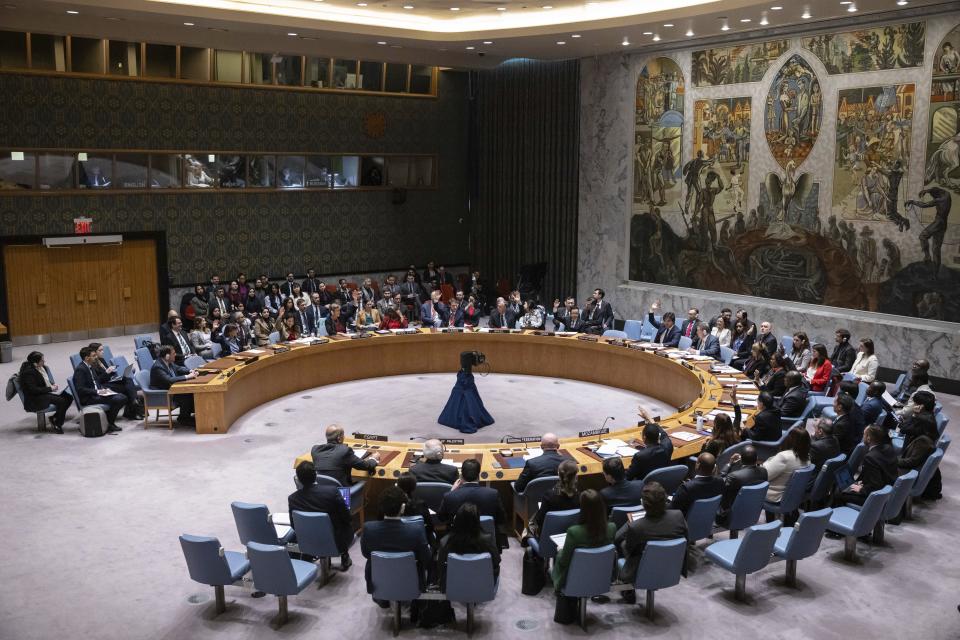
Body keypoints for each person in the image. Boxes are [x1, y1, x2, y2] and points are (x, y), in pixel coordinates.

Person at [551, 490, 616, 625]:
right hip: (600, 577)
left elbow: (564, 561)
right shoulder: (611, 528)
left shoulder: (574, 532)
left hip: (574, 577)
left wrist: (560, 550)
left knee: (558, 553)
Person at [615, 481, 687, 596]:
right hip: (672, 566)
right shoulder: (678, 516)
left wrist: (629, 525)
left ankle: (627, 587)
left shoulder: (636, 526)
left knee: (623, 543)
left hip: (643, 569)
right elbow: (686, 540)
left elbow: (626, 546)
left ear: (643, 504)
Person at [361, 486, 431, 602]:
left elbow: (366, 554)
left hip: (378, 582)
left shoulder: (368, 528)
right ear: (403, 507)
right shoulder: (416, 530)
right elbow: (426, 558)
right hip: (411, 582)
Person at [289, 461, 354, 570]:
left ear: (298, 479)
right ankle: (344, 555)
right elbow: (347, 518)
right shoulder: (333, 492)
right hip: (336, 542)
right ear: (315, 476)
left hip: (307, 540)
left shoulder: (293, 499)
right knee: (343, 525)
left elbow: (293, 525)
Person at [438, 459, 506, 546]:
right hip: (487, 542)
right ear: (479, 476)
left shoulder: (450, 496)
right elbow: (502, 519)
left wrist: (451, 492)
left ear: (461, 476)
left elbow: (441, 518)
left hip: (457, 544)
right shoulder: (493, 494)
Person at [437, 503, 500, 590]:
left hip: (454, 586)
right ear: (477, 521)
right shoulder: (488, 540)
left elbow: (440, 568)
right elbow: (496, 561)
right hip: (483, 586)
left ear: (457, 520)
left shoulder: (445, 542)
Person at [837, 425, 897, 507]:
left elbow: (876, 485)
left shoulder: (870, 457)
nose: (863, 436)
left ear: (869, 438)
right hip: (888, 491)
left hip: (876, 498)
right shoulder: (889, 448)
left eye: (864, 434)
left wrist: (862, 489)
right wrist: (864, 482)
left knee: (839, 494)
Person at [74, 346, 126, 432]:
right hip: (89, 398)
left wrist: (103, 389)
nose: (96, 357)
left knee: (122, 397)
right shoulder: (80, 370)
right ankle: (110, 423)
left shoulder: (90, 366)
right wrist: (97, 391)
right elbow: (80, 389)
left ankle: (108, 421)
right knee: (119, 399)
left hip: (98, 393)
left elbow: (97, 381)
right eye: (94, 356)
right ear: (87, 358)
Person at [17, 351, 72, 433]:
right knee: (62, 401)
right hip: (35, 399)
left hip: (42, 394)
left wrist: (51, 386)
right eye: (42, 360)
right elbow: (33, 390)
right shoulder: (28, 373)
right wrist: (50, 389)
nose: (44, 362)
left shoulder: (40, 368)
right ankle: (57, 423)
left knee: (69, 397)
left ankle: (54, 418)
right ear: (35, 363)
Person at [527, 459, 580, 541]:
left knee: (530, 525)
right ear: (576, 477)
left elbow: (539, 520)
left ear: (558, 474)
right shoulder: (581, 496)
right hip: (571, 536)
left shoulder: (549, 496)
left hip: (548, 537)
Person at [311, 424, 380, 486]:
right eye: (343, 435)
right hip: (342, 494)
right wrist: (374, 459)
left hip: (323, 493)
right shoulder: (344, 451)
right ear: (339, 438)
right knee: (364, 482)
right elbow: (365, 466)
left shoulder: (315, 450)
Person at [88, 342, 141, 420]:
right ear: (94, 352)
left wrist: (112, 371)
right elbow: (97, 381)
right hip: (103, 386)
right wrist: (107, 372)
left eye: (102, 350)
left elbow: (108, 375)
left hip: (109, 381)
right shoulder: (92, 364)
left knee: (127, 379)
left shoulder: (102, 360)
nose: (103, 352)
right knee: (127, 387)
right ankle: (133, 406)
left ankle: (133, 405)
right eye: (100, 350)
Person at [717, 445, 767, 526]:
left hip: (729, 516)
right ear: (757, 459)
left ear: (741, 460)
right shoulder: (764, 472)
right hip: (754, 512)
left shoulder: (734, 476)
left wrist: (729, 464)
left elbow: (718, 483)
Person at [149, 345, 198, 426]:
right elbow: (169, 380)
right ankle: (183, 418)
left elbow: (179, 368)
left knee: (191, 392)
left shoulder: (168, 362)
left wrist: (191, 371)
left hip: (171, 390)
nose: (175, 355)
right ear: (167, 356)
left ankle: (190, 415)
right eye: (173, 353)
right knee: (186, 394)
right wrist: (187, 376)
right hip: (163, 394)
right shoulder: (158, 367)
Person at [762, 426, 811, 503]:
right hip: (792, 495)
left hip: (773, 495)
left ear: (790, 439)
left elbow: (764, 475)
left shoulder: (784, 457)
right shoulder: (807, 457)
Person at [396, 472, 438, 550]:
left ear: (397, 486)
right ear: (414, 487)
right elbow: (430, 527)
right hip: (418, 542)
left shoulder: (392, 505)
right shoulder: (421, 504)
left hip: (397, 540)